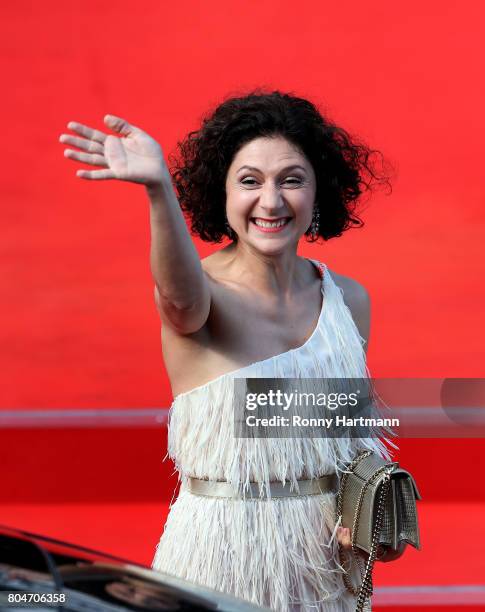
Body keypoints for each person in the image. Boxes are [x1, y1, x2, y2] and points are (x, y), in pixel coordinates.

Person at [59, 90, 401, 611]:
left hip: (327, 568)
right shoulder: (201, 296)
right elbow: (177, 298)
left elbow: (344, 432)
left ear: (318, 192)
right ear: (220, 194)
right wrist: (158, 192)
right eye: (249, 181)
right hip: (221, 558)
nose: (271, 201)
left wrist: (373, 505)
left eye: (291, 179)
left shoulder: (348, 300)